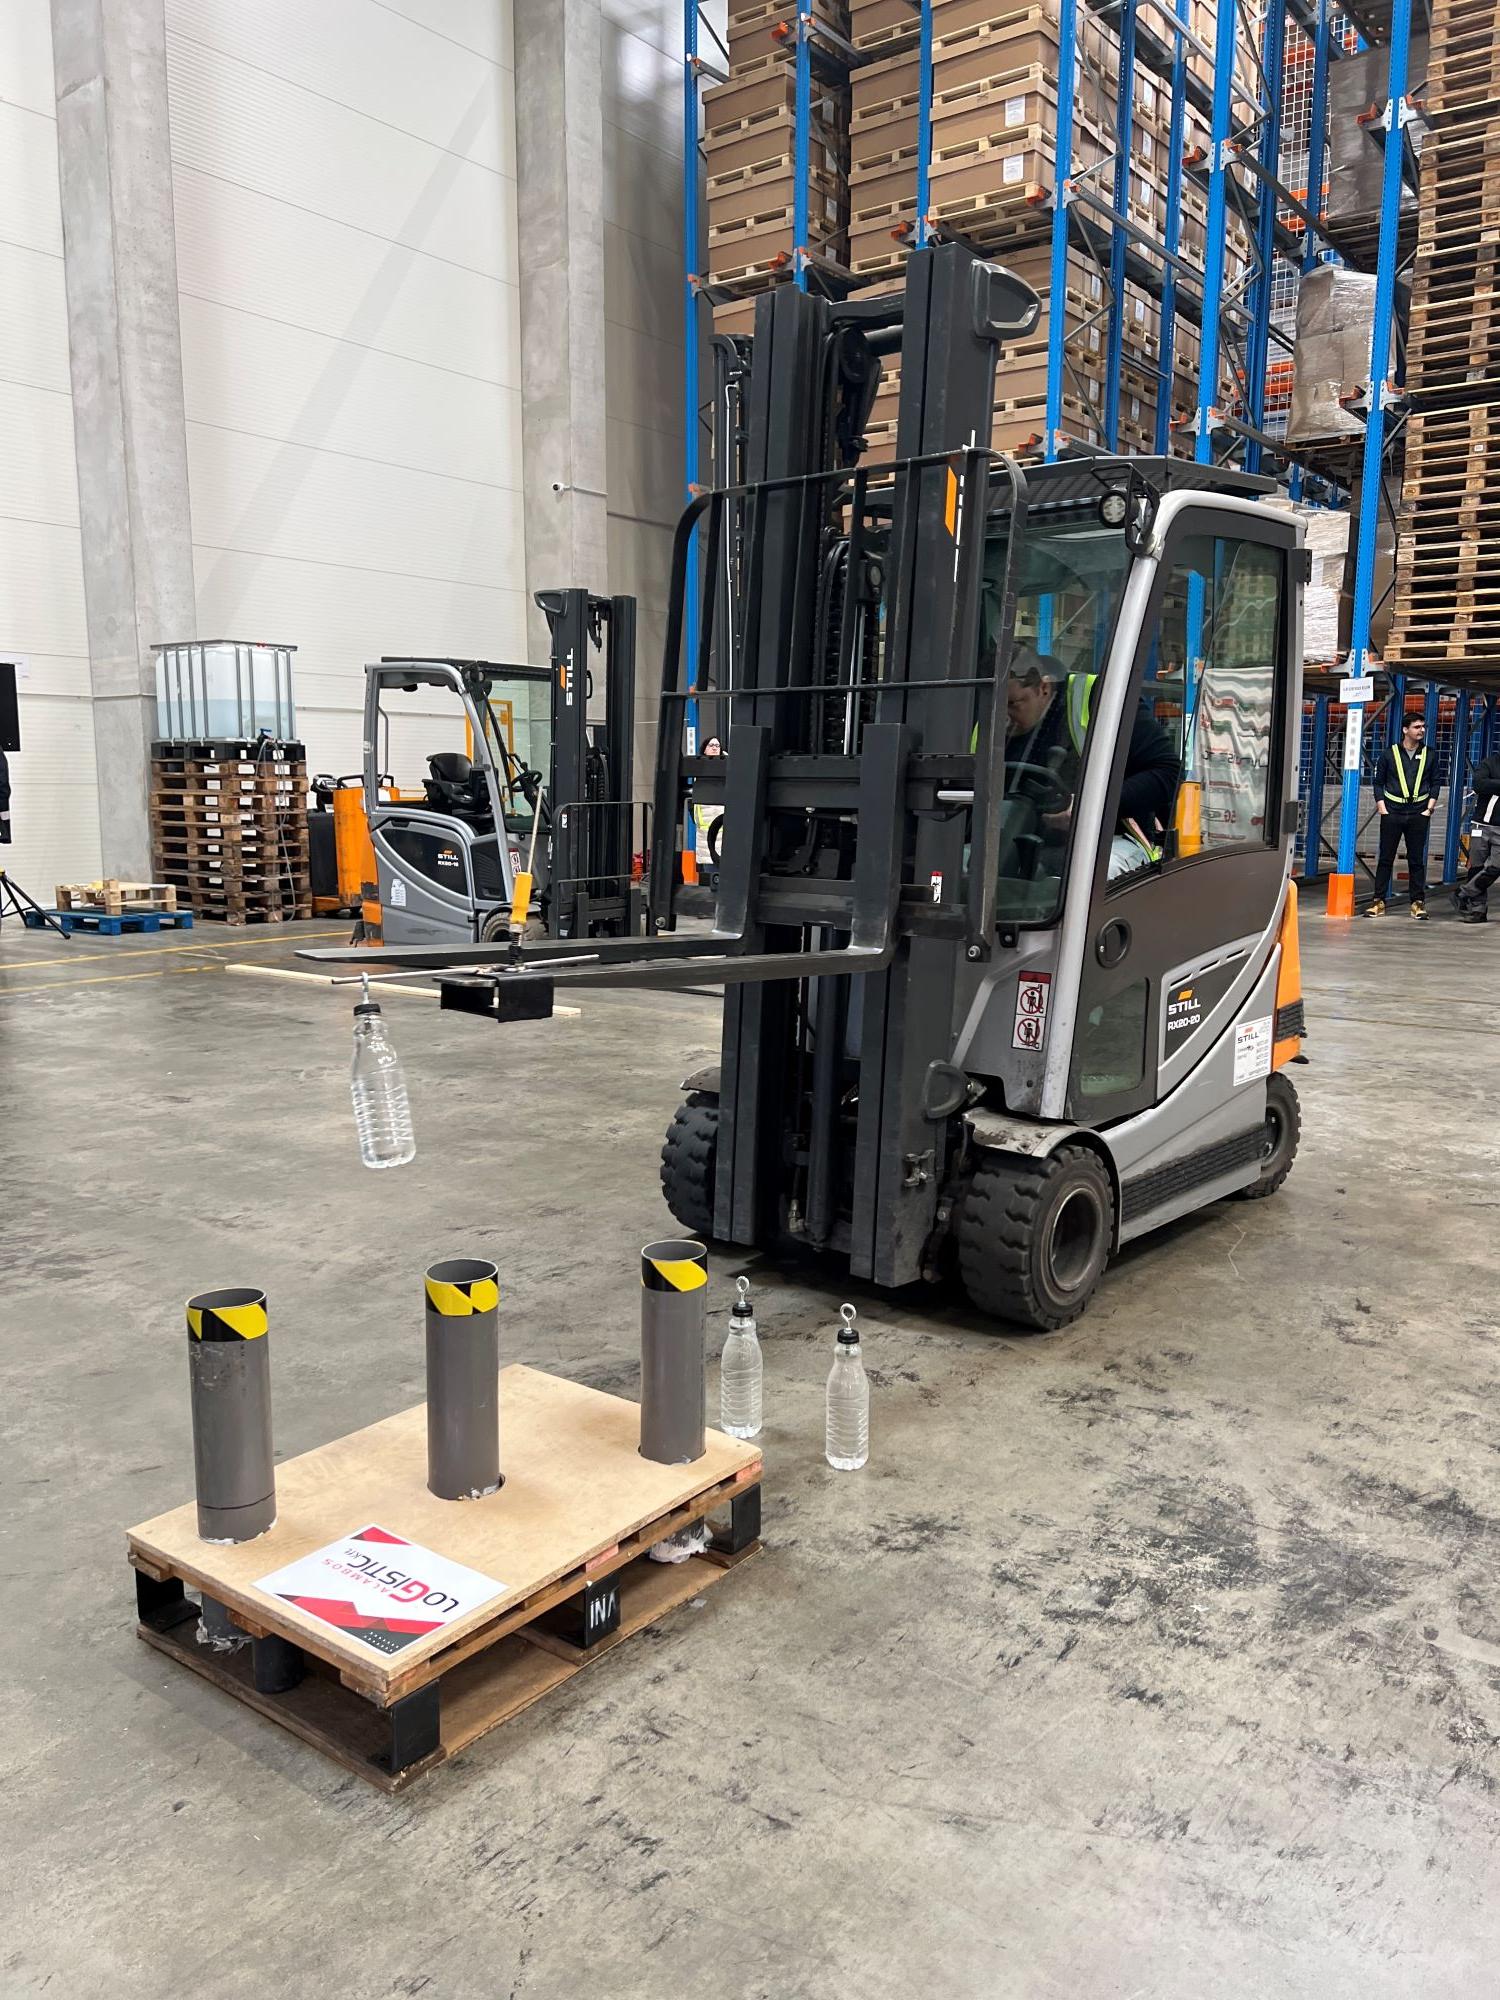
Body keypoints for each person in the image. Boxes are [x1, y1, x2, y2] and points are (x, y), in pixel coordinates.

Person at [1004, 651, 1181, 880]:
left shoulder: (1101, 698)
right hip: (1015, 838)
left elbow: (1168, 771)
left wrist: (1088, 807)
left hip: (1111, 838)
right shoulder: (989, 722)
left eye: (1012, 704)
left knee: (1077, 881)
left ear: (1043, 688)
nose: (1004, 716)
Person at [1366, 713, 1438, 921]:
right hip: (1392, 813)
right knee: (1385, 859)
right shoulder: (1389, 754)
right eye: (1416, 727)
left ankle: (1418, 903)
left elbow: (1435, 782)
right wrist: (1382, 808)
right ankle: (1378, 901)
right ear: (1405, 730)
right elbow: (1378, 783)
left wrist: (1428, 810)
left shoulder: (1430, 754)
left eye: (1423, 726)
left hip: (1418, 814)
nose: (1421, 730)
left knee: (1416, 860)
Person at [1454, 745, 1500, 923]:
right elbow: (1479, 784)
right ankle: (1478, 910)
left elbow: (1487, 785)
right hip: (1481, 824)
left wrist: (1493, 784)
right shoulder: (1489, 763)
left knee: (1496, 867)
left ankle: (1463, 892)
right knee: (1476, 867)